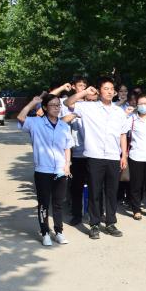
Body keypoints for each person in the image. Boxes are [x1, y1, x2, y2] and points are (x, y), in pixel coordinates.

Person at [66, 78, 129, 239]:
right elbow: (68, 102)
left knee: (112, 192)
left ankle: (110, 223)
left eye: (111, 88)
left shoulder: (119, 111)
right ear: (99, 91)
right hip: (94, 156)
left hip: (113, 156)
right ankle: (94, 224)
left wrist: (124, 155)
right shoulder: (88, 107)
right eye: (105, 88)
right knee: (94, 191)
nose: (109, 91)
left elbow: (123, 134)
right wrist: (84, 92)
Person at [17, 92, 74, 246]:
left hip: (61, 170)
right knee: (43, 203)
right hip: (43, 170)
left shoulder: (63, 126)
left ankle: (59, 232)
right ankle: (45, 233)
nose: (56, 108)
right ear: (45, 107)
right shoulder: (36, 123)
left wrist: (67, 165)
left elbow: (67, 147)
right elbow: (21, 118)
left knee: (58, 203)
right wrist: (32, 103)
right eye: (53, 105)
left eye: (58, 105)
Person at [63, 77, 93, 225]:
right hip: (77, 152)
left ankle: (95, 214)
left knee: (95, 186)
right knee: (76, 186)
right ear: (74, 87)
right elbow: (62, 120)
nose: (83, 88)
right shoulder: (69, 104)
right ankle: (76, 214)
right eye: (80, 86)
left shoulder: (93, 107)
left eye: (85, 86)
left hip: (93, 153)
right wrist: (75, 114)